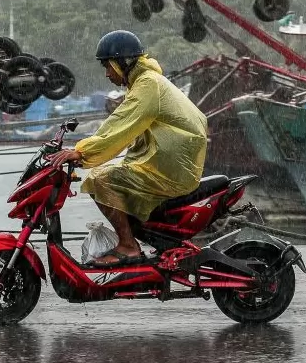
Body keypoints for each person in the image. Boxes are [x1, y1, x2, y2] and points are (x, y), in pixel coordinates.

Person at [48, 30, 208, 265]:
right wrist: (85, 152)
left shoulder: (147, 85)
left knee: (101, 180)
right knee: (114, 174)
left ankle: (128, 246)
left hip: (171, 171)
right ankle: (138, 239)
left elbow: (121, 125)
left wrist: (82, 151)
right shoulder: (146, 82)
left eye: (108, 66)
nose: (107, 74)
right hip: (171, 165)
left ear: (122, 62)